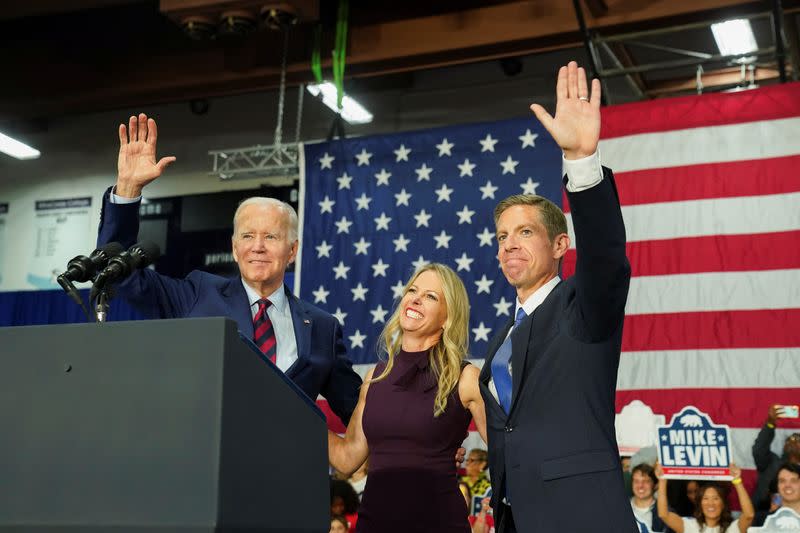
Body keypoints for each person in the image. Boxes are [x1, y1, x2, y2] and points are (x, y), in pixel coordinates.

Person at [95, 113, 362, 424]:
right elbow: (120, 272)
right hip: (203, 461)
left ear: (293, 251)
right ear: (235, 249)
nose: (258, 246)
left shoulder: (322, 328)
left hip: (283, 468)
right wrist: (127, 189)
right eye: (248, 236)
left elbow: (356, 409)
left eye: (271, 236)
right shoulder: (197, 293)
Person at [478, 60, 634, 533]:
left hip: (583, 517)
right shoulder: (503, 339)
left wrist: (582, 162)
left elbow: (607, 260)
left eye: (525, 232)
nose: (509, 244)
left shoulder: (582, 308)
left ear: (560, 245)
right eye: (502, 235)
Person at [328, 263, 488, 533]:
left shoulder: (466, 377)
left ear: (447, 317)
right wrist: (300, 414)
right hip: (375, 524)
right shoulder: (374, 378)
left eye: (430, 296)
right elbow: (347, 458)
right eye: (412, 290)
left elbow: (508, 450)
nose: (415, 298)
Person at [655, 462, 755, 533]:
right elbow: (664, 514)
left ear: (723, 504)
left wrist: (737, 481)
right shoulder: (689, 526)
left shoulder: (732, 529)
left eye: (715, 498)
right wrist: (662, 479)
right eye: (705, 498)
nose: (710, 503)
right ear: (700, 504)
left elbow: (749, 515)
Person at [752, 405, 800, 512]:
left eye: (797, 440)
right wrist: (770, 423)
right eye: (790, 439)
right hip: (764, 516)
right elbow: (759, 450)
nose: (793, 440)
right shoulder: (771, 462)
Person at [630, 463, 671, 533]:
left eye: (646, 481)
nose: (640, 486)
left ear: (655, 485)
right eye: (636, 481)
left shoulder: (667, 512)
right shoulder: (620, 508)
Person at [461, 449, 492, 515]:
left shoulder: (488, 487)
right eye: (467, 460)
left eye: (471, 460)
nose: (467, 463)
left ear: (482, 465)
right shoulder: (460, 482)